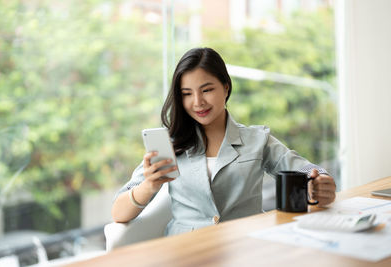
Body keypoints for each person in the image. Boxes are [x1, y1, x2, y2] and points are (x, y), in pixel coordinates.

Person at [111, 47, 336, 235]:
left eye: (206, 90)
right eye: (187, 93)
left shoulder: (257, 140)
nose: (198, 102)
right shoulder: (171, 143)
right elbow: (118, 212)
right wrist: (149, 185)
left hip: (245, 248)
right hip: (186, 253)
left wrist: (320, 180)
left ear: (226, 88)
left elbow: (303, 168)